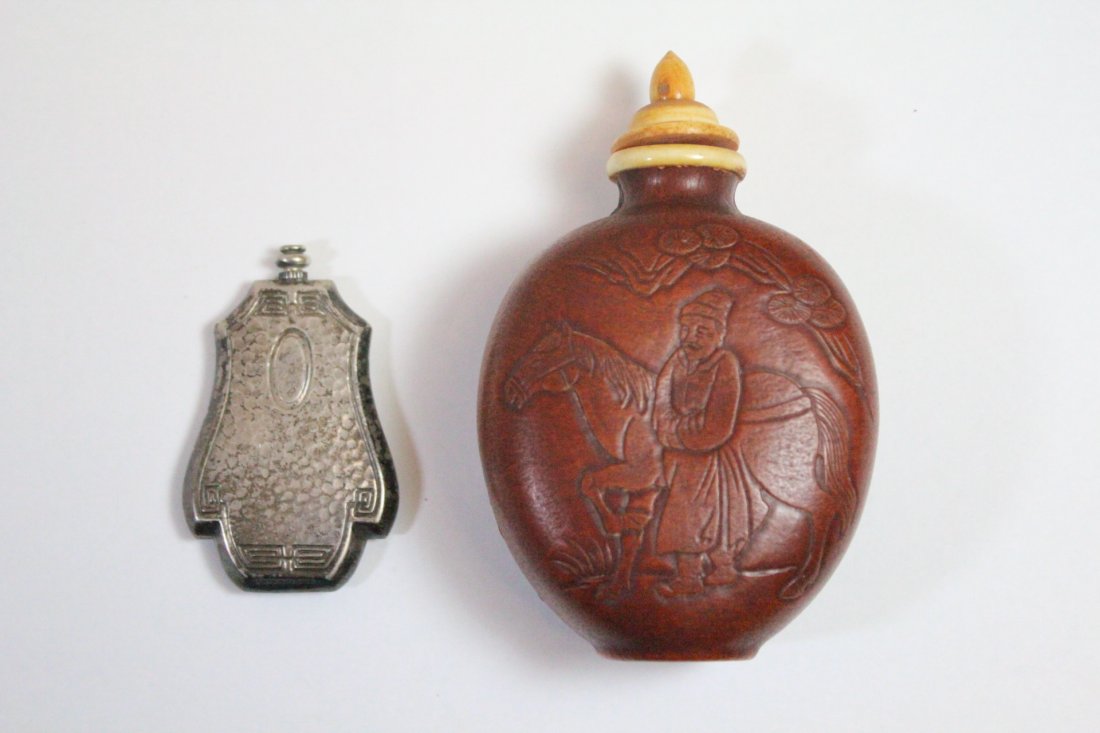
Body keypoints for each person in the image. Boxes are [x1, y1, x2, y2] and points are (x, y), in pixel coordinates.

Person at [653, 288, 747, 596]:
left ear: (719, 335)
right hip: (678, 456)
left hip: (709, 456)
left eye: (702, 331)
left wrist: (680, 433)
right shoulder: (676, 362)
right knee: (685, 512)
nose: (691, 336)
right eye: (686, 329)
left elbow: (720, 422)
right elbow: (661, 404)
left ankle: (698, 574)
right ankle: (701, 571)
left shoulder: (725, 363)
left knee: (702, 513)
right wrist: (668, 430)